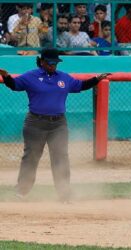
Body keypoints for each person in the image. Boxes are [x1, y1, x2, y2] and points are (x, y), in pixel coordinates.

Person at [0, 48, 110, 202]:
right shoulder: (31, 76)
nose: (53, 66)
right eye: (50, 63)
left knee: (61, 159)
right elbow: (14, 85)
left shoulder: (63, 78)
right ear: (42, 62)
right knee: (31, 158)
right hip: (35, 123)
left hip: (58, 124)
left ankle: (64, 194)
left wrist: (96, 79)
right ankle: (21, 192)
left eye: (56, 63)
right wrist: (6, 76)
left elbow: (80, 86)